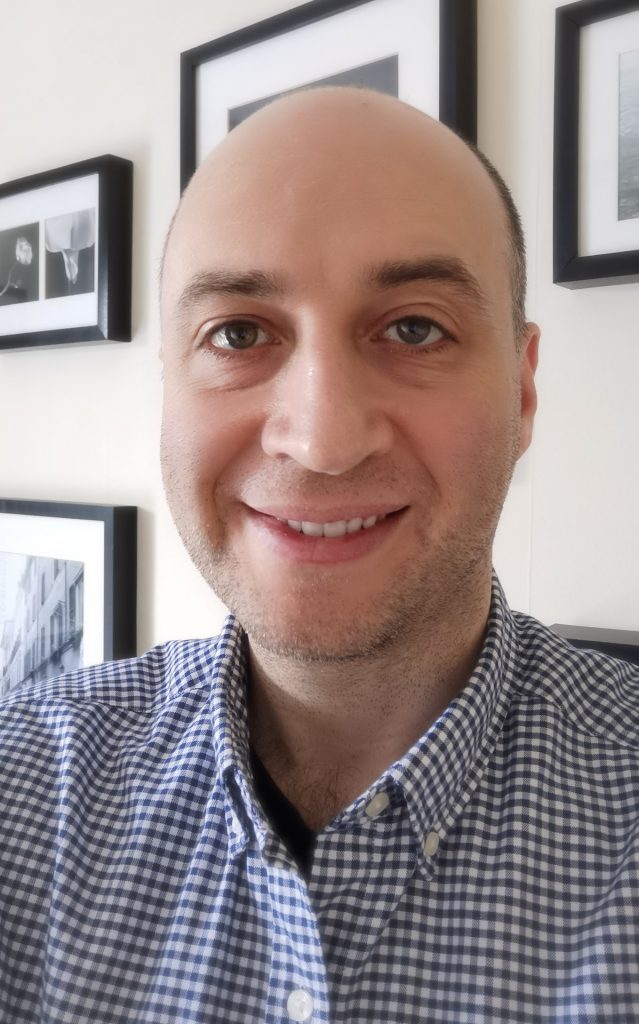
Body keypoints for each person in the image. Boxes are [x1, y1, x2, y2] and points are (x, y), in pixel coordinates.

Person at [1, 87, 637, 1023]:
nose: (323, 441)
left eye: (414, 328)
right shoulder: (24, 785)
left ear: (521, 389)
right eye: (238, 333)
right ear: (169, 389)